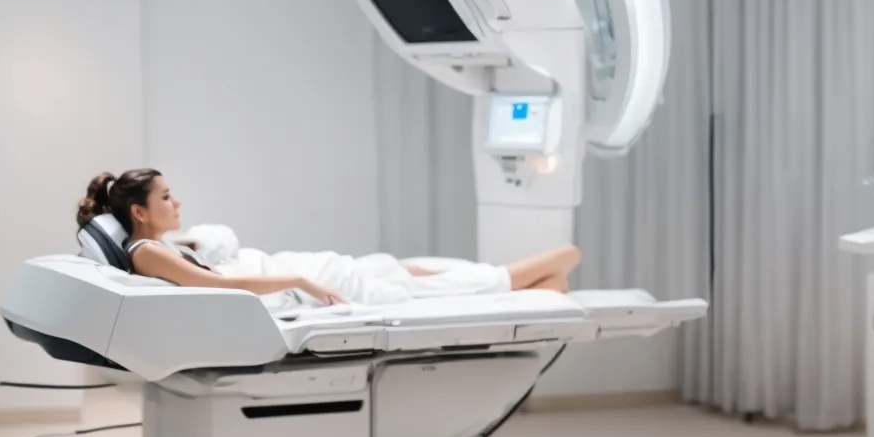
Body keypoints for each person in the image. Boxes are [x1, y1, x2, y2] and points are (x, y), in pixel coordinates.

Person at [75, 169, 582, 306]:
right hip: (308, 283)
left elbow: (214, 260)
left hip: (309, 272)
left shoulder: (164, 245)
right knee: (440, 284)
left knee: (397, 266)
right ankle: (545, 269)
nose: (177, 203)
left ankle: (542, 285)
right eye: (166, 198)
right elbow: (220, 290)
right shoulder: (146, 254)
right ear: (139, 212)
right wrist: (298, 279)